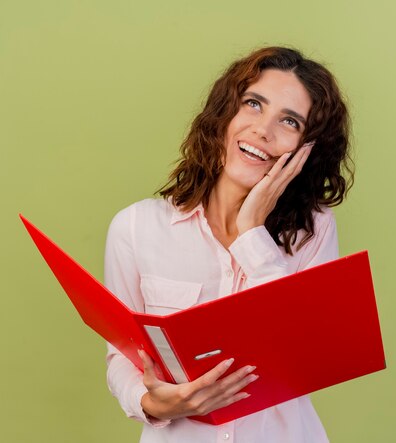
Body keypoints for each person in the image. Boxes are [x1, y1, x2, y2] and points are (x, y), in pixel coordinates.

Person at [103, 46, 353, 443]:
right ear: (224, 113)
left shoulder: (313, 230)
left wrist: (252, 232)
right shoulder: (136, 227)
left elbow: (306, 357)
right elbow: (123, 354)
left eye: (289, 121)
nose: (263, 131)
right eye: (253, 104)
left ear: (307, 149)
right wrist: (152, 404)